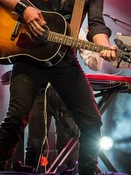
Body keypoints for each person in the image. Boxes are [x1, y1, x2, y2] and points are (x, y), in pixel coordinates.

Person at [0, 0, 117, 175]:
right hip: (29, 54)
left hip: (64, 59)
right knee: (16, 116)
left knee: (91, 121)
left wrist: (105, 47)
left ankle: (87, 170)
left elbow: (97, 24)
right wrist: (25, 11)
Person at [23, 29, 103, 173]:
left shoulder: (73, 24)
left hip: (65, 93)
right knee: (35, 143)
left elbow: (95, 64)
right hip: (40, 89)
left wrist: (96, 43)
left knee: (66, 146)